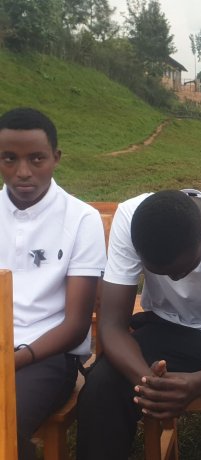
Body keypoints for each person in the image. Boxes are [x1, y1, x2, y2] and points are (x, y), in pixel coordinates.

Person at [76, 188, 201, 459]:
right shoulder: (131, 217)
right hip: (167, 329)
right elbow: (112, 325)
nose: (175, 279)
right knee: (102, 387)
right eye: (161, 273)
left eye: (181, 270)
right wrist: (149, 385)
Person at [0, 107, 106, 460]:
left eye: (36, 158)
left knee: (3, 423)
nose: (23, 171)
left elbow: (76, 326)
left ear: (55, 158)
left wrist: (12, 361)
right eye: (9, 159)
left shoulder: (81, 219)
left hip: (46, 357)